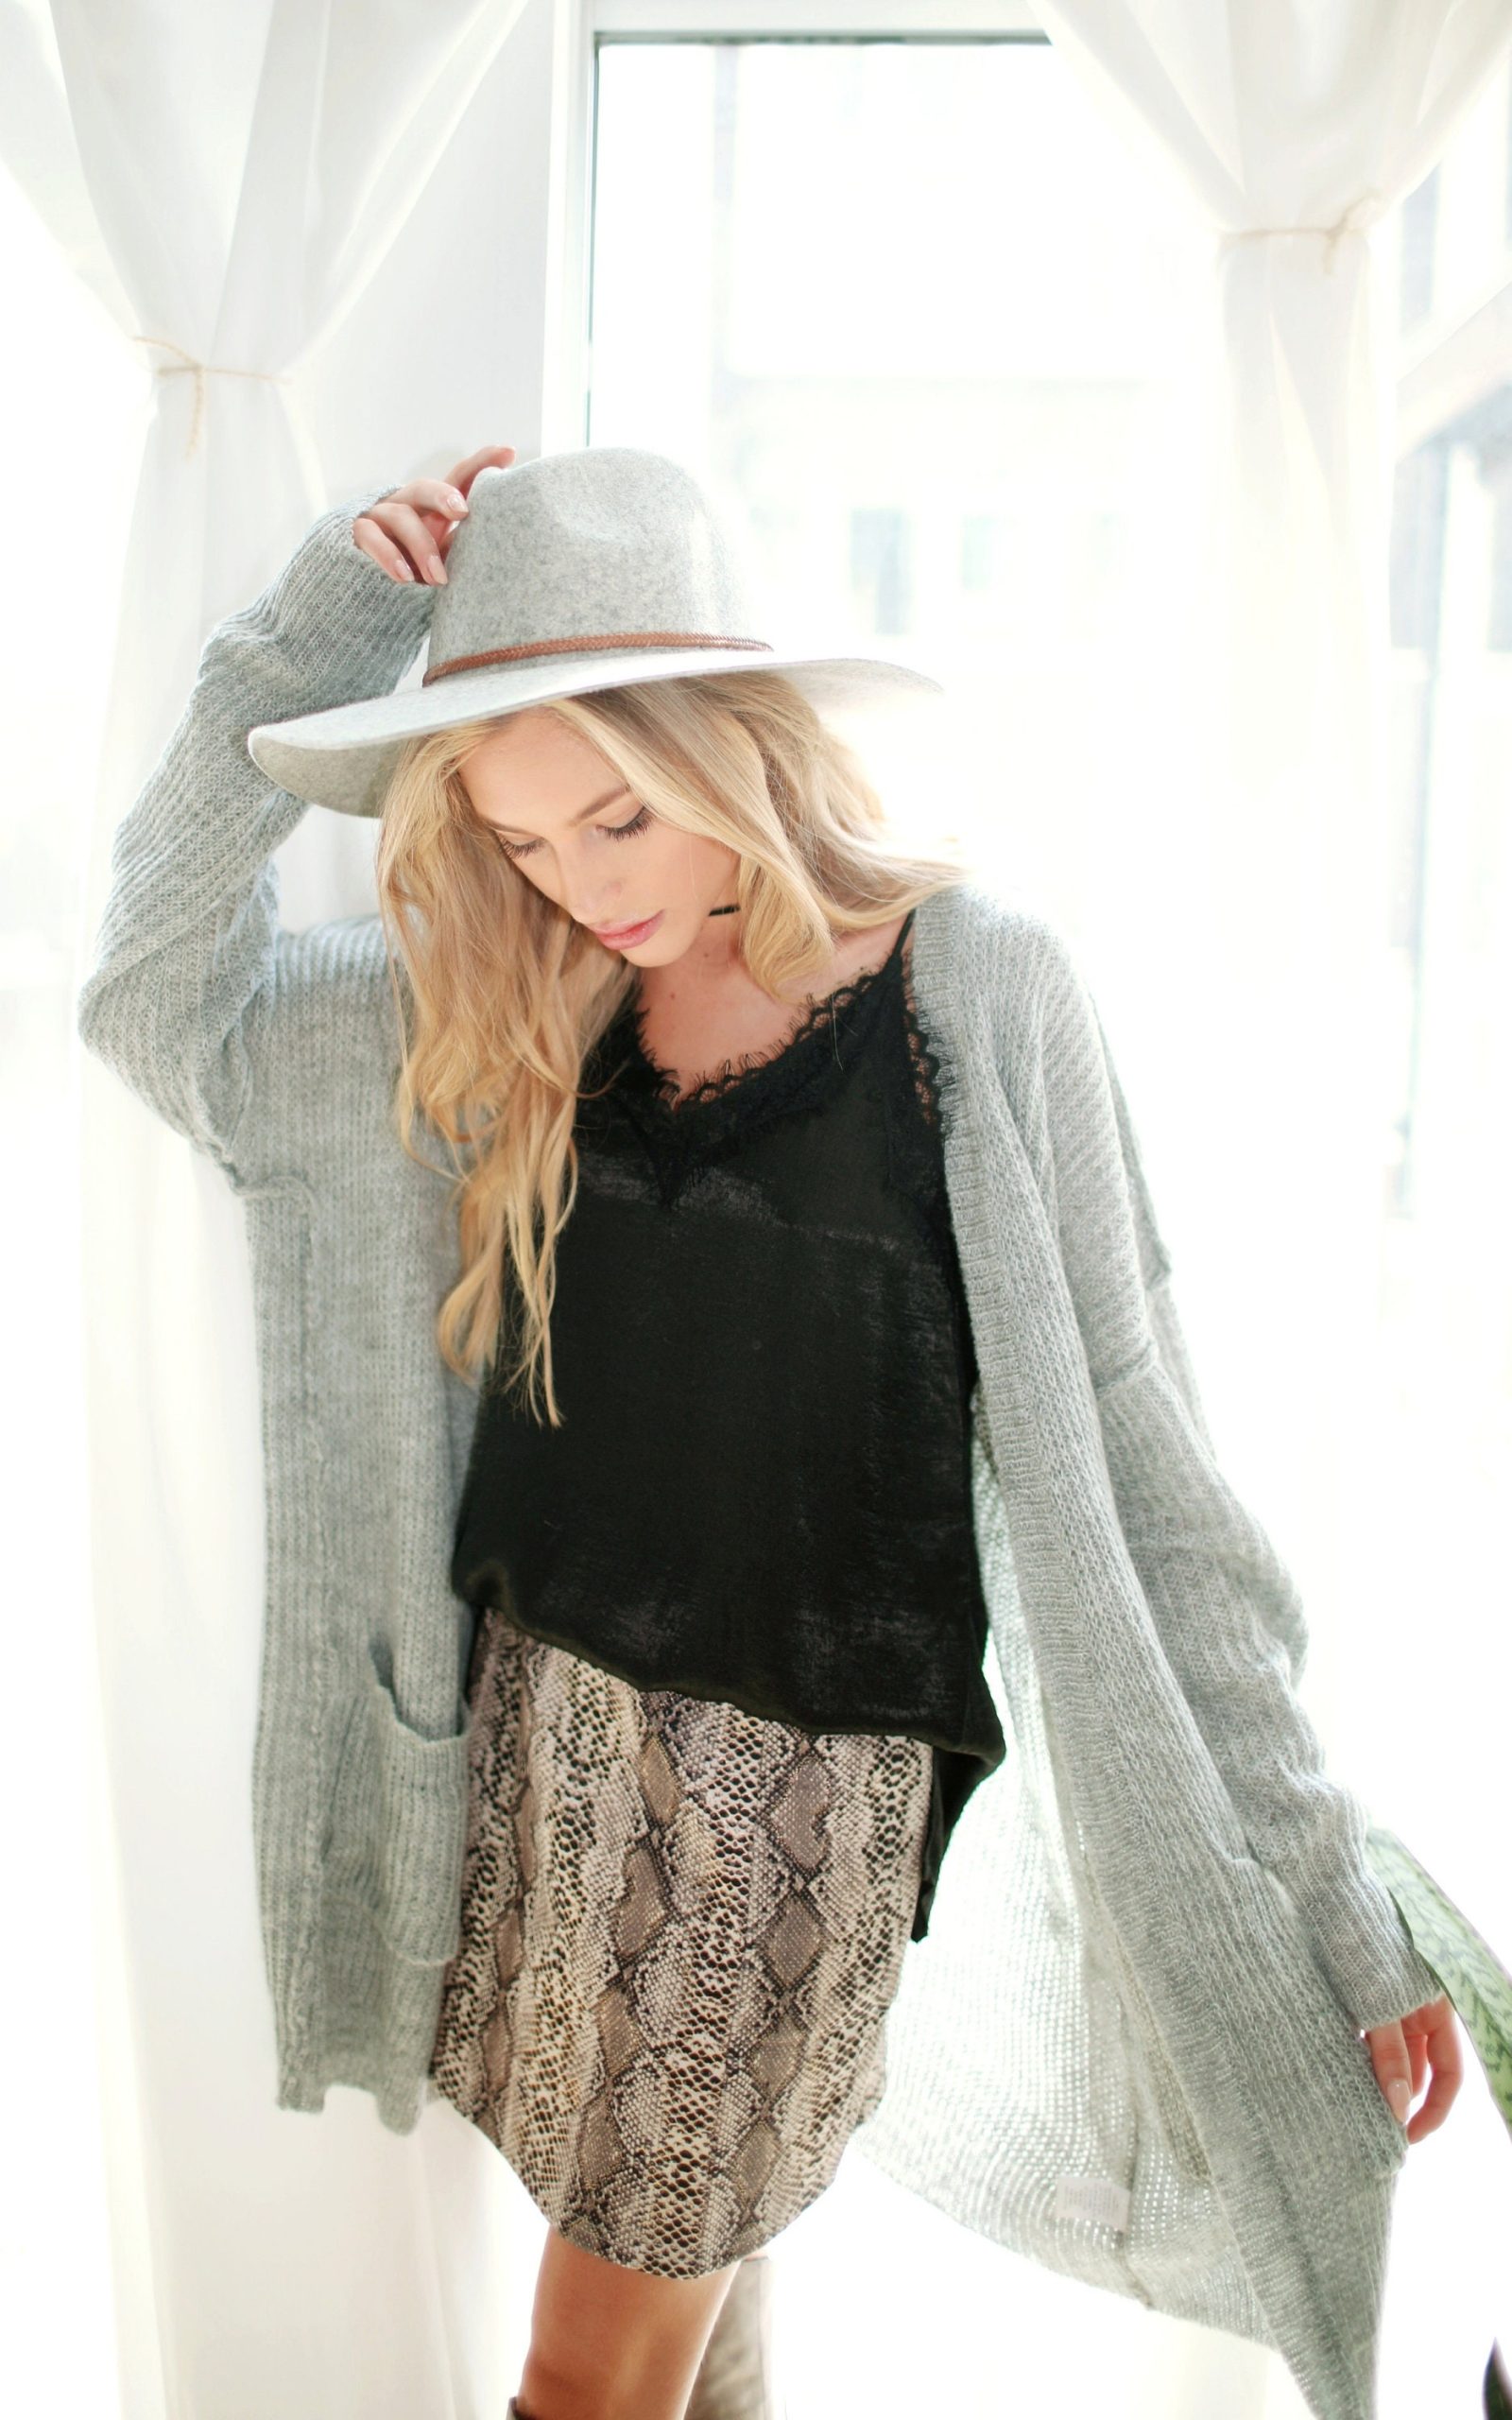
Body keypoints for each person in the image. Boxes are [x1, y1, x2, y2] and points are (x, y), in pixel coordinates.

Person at [77, 437, 1464, 2420]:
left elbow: (1149, 1476)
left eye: (619, 818)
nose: (585, 884)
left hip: (785, 1816)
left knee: (583, 2381)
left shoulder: (974, 994)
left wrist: (1319, 1882)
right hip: (543, 1755)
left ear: (737, 739)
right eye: (526, 839)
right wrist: (319, 632)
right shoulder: (525, 997)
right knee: (694, 2348)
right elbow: (152, 998)